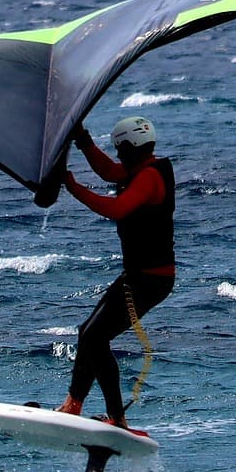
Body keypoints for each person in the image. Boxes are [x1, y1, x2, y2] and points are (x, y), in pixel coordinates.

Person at [56, 116, 175, 432]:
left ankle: (117, 419)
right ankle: (73, 404)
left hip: (150, 279)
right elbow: (110, 172)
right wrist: (83, 141)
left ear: (130, 147)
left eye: (120, 150)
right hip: (140, 275)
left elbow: (117, 209)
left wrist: (74, 187)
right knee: (88, 334)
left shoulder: (149, 177)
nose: (118, 155)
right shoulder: (141, 169)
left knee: (96, 337)